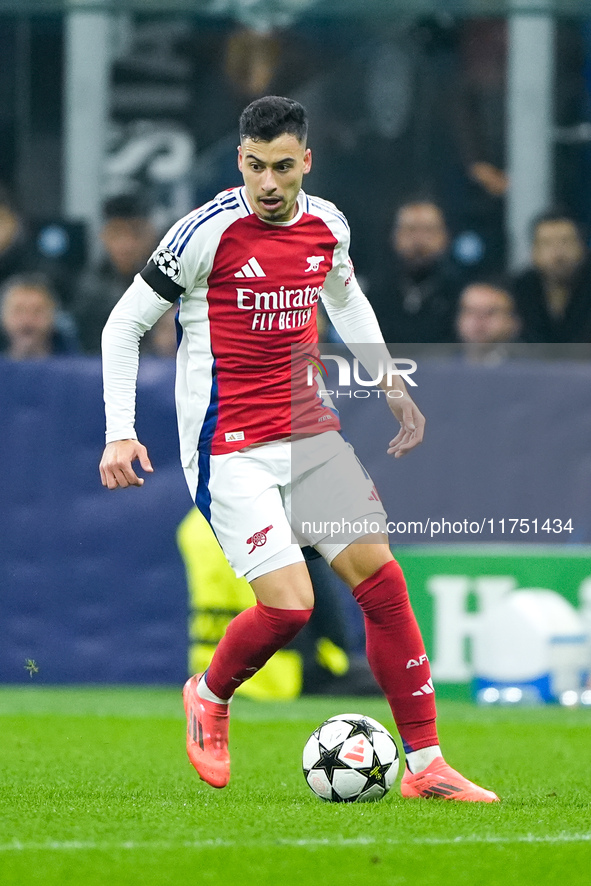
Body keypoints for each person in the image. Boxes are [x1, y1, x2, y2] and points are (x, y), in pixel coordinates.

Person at [100, 96, 498, 802]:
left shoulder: (327, 223)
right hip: (229, 447)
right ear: (240, 163)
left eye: (283, 166)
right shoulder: (203, 234)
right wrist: (120, 431)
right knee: (288, 607)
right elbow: (123, 324)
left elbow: (344, 298)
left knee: (381, 580)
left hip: (309, 431)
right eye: (255, 167)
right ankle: (210, 694)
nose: (269, 183)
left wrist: (388, 382)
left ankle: (426, 764)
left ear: (305, 160)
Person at [368, 200, 464, 344]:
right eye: (410, 230)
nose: (419, 240)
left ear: (445, 236)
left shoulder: (462, 289)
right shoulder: (375, 289)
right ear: (394, 236)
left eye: (428, 230)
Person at [73, 194, 158, 354]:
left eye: (136, 233)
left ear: (151, 235)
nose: (127, 244)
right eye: (117, 233)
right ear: (104, 236)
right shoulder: (88, 291)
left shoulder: (175, 280)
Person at [510, 211, 591, 343]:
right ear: (533, 251)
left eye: (566, 242)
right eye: (547, 243)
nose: (558, 254)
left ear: (582, 246)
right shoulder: (520, 288)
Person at [0, 273, 78, 358]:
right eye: (18, 310)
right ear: (4, 317)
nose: (27, 319)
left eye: (37, 311)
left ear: (52, 317)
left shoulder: (75, 367)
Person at [455, 280, 521, 363]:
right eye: (470, 311)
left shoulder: (531, 370)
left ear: (512, 322)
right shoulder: (441, 367)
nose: (478, 320)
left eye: (490, 312)